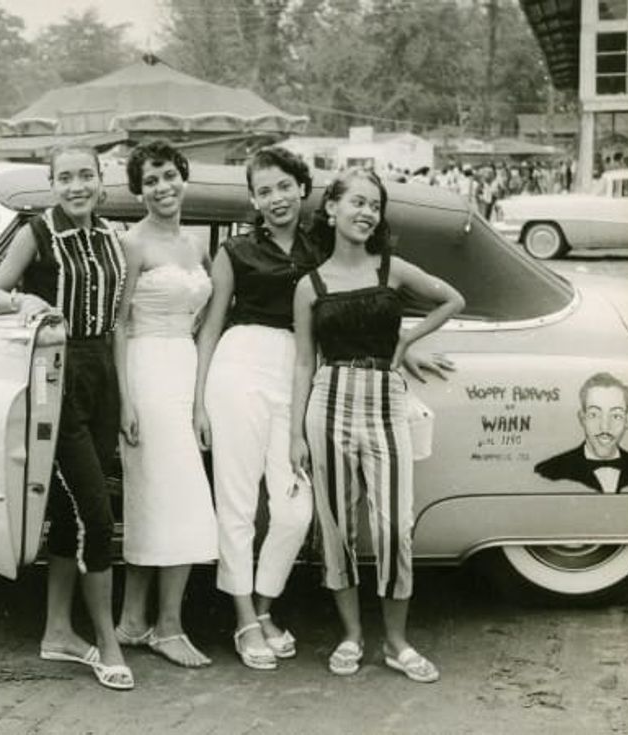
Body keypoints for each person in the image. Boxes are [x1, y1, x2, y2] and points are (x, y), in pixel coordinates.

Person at [290, 168, 465, 684]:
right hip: (329, 399)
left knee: (394, 529)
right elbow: (304, 362)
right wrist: (296, 433)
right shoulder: (310, 285)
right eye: (358, 203)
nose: (367, 213)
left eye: (375, 206)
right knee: (337, 526)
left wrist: (406, 343)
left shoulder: (391, 269)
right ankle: (351, 636)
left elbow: (452, 299)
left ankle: (396, 643)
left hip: (386, 401)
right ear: (331, 209)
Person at [0, 144, 132, 691]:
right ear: (52, 183)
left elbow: (120, 323)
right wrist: (25, 304)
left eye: (85, 176)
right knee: (96, 513)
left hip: (103, 378)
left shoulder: (113, 237)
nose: (76, 186)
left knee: (72, 512)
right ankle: (107, 644)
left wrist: (127, 399)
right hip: (57, 379)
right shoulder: (35, 233)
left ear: (100, 180)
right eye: (65, 178)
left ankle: (58, 632)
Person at [193, 146, 316, 671]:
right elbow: (211, 326)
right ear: (253, 201)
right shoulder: (236, 252)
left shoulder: (324, 248)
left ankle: (265, 606)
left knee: (293, 509)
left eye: (284, 186)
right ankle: (245, 618)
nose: (276, 198)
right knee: (238, 502)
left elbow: (365, 297)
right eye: (264, 191)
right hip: (239, 365)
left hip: (299, 369)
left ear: (302, 188)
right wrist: (198, 400)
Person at [112, 140, 218, 668]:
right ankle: (167, 628)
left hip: (183, 367)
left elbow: (202, 323)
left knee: (160, 498)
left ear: (183, 177)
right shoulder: (132, 244)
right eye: (150, 181)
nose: (162, 188)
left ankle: (135, 621)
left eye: (169, 176)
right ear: (139, 191)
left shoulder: (198, 244)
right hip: (145, 370)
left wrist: (200, 401)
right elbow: (119, 325)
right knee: (170, 497)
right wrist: (124, 401)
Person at [534, 372, 628, 493]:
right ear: (582, 418)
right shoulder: (549, 470)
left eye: (616, 416)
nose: (605, 427)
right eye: (594, 415)